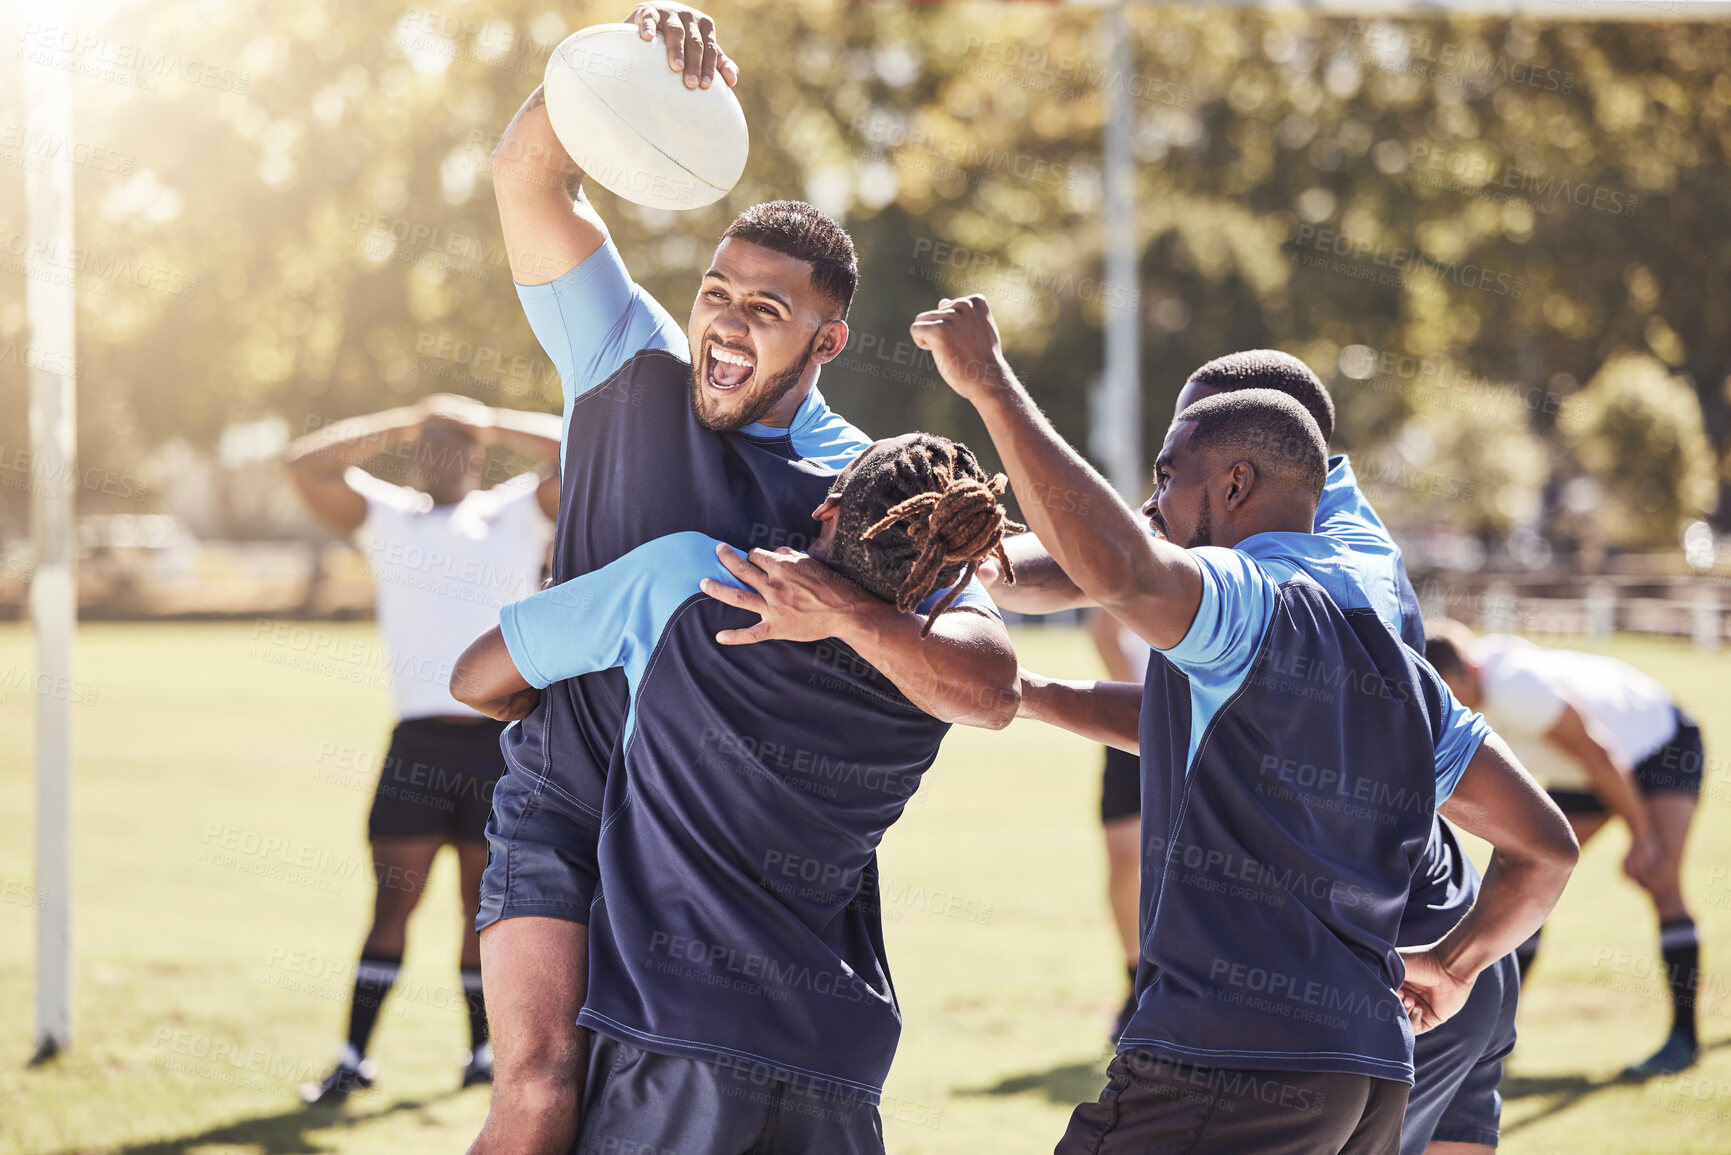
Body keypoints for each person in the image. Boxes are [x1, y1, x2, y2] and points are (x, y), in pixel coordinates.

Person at [469, 7, 1013, 1151]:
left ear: (826, 342)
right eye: (719, 290)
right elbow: (527, 176)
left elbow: (979, 682)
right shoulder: (627, 360)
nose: (725, 323)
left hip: (726, 866)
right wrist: (616, 53)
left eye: (767, 311)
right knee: (537, 1080)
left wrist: (843, 608)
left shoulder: (867, 496)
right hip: (570, 807)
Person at [914, 296, 1578, 1154]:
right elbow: (1193, 682)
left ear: (1237, 474)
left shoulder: (1275, 592)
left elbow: (1117, 566)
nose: (1151, 500)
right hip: (1382, 1017)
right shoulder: (1326, 589)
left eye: (1168, 465)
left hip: (1316, 1000)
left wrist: (992, 386)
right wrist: (1010, 658)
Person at [453, 433, 1018, 1153]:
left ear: (826, 507)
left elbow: (472, 676)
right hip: (838, 1056)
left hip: (678, 1038)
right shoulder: (938, 678)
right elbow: (995, 679)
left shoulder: (691, 576)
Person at [282, 393, 560, 1100]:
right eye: (422, 450)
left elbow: (581, 445)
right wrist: (404, 418)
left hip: (501, 746)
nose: (435, 460)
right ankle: (352, 1057)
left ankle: (481, 1056)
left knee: (485, 911)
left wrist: (487, 419)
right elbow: (303, 464)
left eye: (453, 447)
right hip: (417, 747)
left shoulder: (514, 512)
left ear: (476, 457)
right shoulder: (386, 517)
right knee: (391, 908)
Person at [1424, 622, 1707, 1077]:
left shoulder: (1514, 684)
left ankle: (1684, 1040)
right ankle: (1494, 1035)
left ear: (1464, 673)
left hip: (1658, 744)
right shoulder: (1458, 688)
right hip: (1585, 773)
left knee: (1662, 880)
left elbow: (1598, 751)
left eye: (1449, 692)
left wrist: (1644, 836)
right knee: (1522, 880)